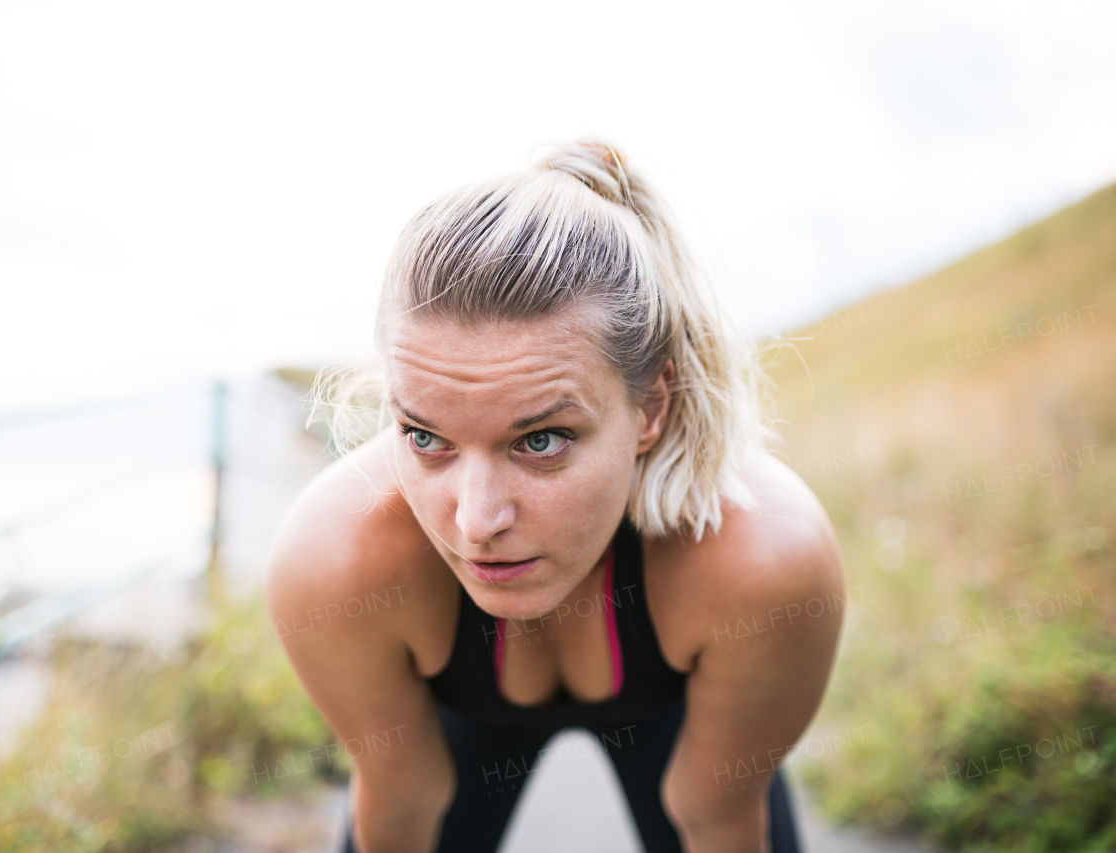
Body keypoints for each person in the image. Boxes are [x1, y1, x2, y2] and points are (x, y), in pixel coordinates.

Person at [264, 139, 846, 853]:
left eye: (540, 440)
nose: (475, 523)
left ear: (652, 407)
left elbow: (719, 820)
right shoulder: (334, 561)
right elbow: (399, 807)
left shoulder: (763, 560)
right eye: (424, 436)